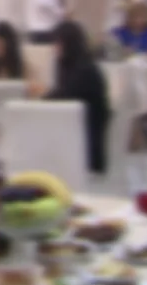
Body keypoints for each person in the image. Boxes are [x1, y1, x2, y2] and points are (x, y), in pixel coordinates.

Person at [46, 21, 111, 174]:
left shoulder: (85, 70)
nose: (54, 48)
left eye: (57, 43)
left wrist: (40, 97)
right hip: (77, 134)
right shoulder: (74, 65)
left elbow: (64, 98)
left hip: (86, 145)